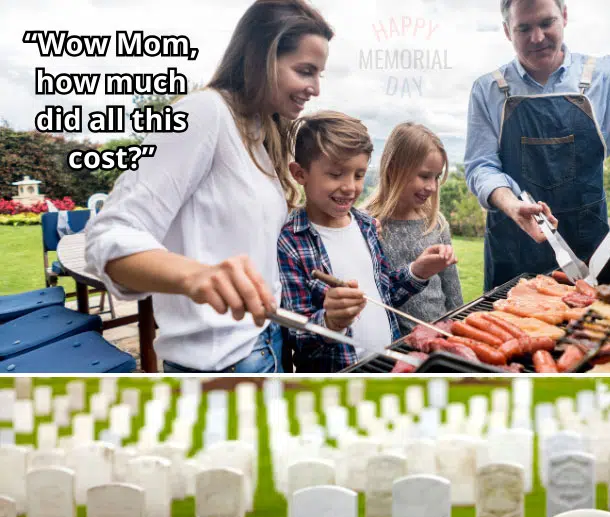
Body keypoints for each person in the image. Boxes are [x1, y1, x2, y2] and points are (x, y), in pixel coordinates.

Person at [85, 0, 334, 372]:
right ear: (260, 57)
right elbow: (108, 235)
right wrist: (196, 275)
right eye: (304, 71)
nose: (314, 88)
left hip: (266, 343)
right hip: (219, 365)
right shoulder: (202, 113)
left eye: (319, 75)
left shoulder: (258, 132)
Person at [465, 0, 610, 290]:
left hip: (589, 244)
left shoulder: (605, 75)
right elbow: (481, 166)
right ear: (506, 31)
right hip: (512, 246)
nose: (537, 37)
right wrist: (511, 204)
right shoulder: (487, 89)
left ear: (563, 16)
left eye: (546, 23)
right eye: (523, 28)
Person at [277, 111, 457, 372]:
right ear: (300, 174)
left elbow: (385, 295)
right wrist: (330, 322)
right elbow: (297, 337)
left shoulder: (366, 226)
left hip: (389, 363)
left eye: (359, 175)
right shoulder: (290, 243)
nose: (350, 187)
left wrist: (418, 272)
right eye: (336, 174)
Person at [363, 123, 463, 336]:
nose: (432, 187)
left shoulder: (436, 222)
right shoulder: (368, 224)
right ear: (393, 169)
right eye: (424, 176)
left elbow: (452, 288)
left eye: (436, 177)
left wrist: (458, 330)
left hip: (440, 336)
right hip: (396, 344)